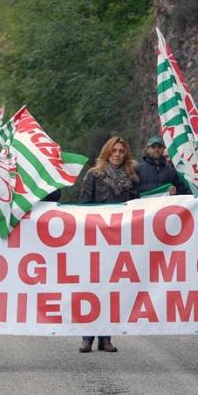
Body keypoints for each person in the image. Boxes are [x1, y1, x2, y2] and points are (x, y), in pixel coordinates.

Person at [78, 136, 139, 353]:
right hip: (96, 240)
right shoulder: (93, 176)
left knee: (113, 290)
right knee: (92, 289)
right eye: (114, 150)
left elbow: (139, 210)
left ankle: (106, 338)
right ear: (107, 152)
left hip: (120, 241)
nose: (117, 154)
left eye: (121, 151)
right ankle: (87, 337)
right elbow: (83, 206)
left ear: (126, 154)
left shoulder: (133, 179)